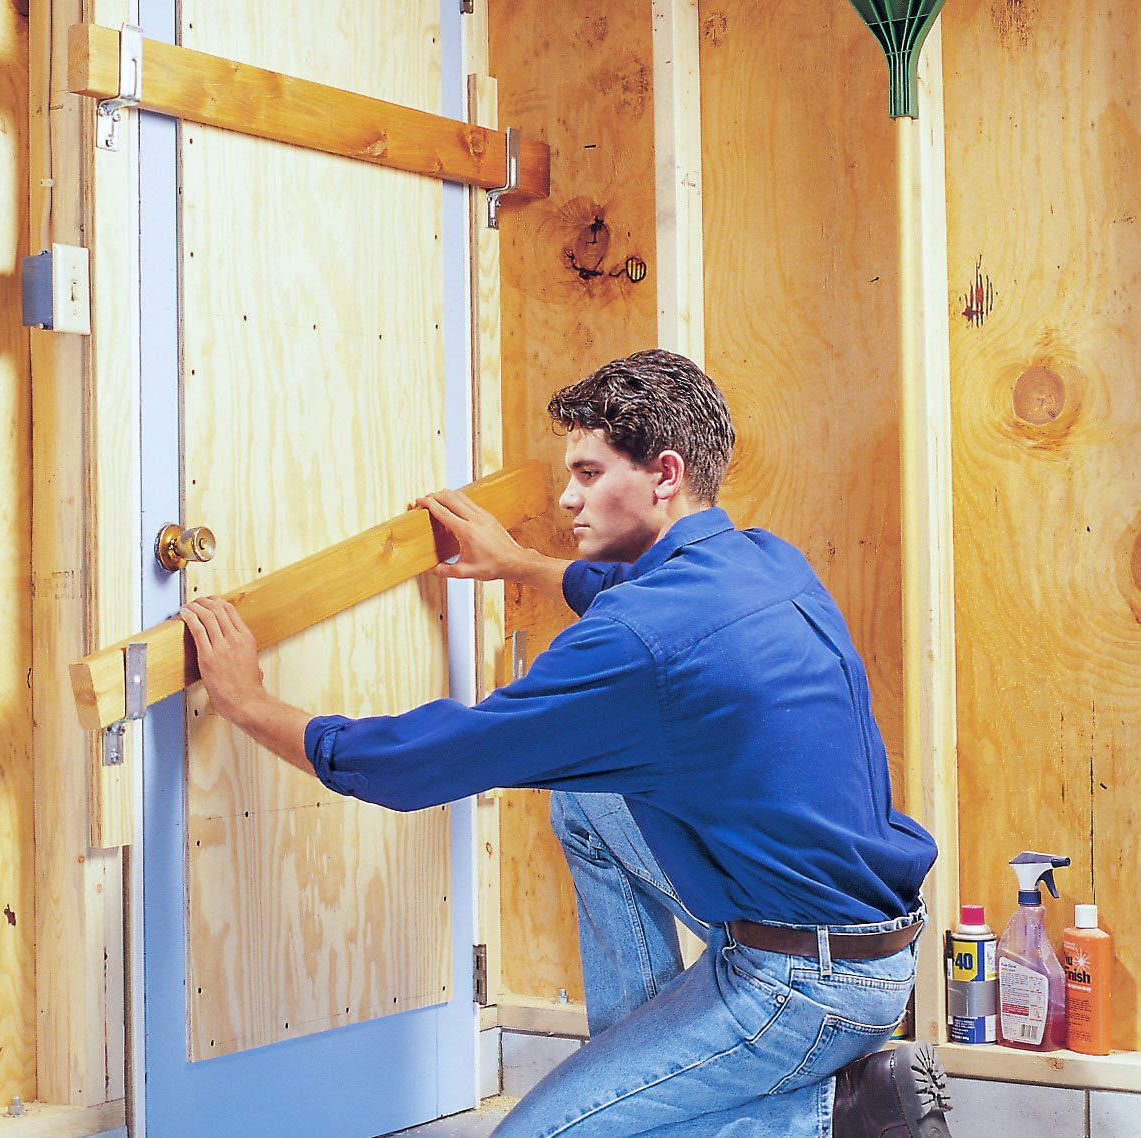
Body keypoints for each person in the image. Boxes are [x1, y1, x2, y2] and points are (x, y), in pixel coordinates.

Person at [178, 349, 954, 1137]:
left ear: (664, 474)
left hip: (803, 987)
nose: (565, 496)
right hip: (859, 940)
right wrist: (518, 563)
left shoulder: (637, 643)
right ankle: (639, 1073)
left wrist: (249, 703)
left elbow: (414, 765)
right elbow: (634, 599)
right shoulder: (763, 560)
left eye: (587, 474)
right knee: (588, 800)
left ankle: (838, 1118)